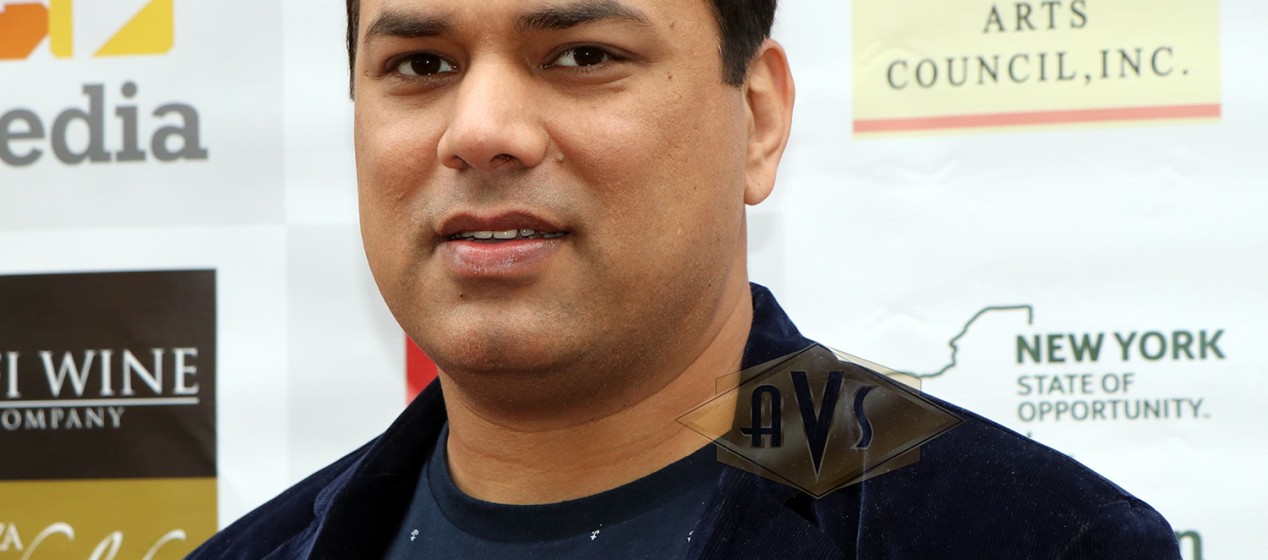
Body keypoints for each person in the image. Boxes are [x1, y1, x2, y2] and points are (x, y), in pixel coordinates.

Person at [191, 0, 1182, 558]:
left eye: (581, 54)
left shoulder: (1022, 538)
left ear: (757, 119)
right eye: (420, 65)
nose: (481, 130)